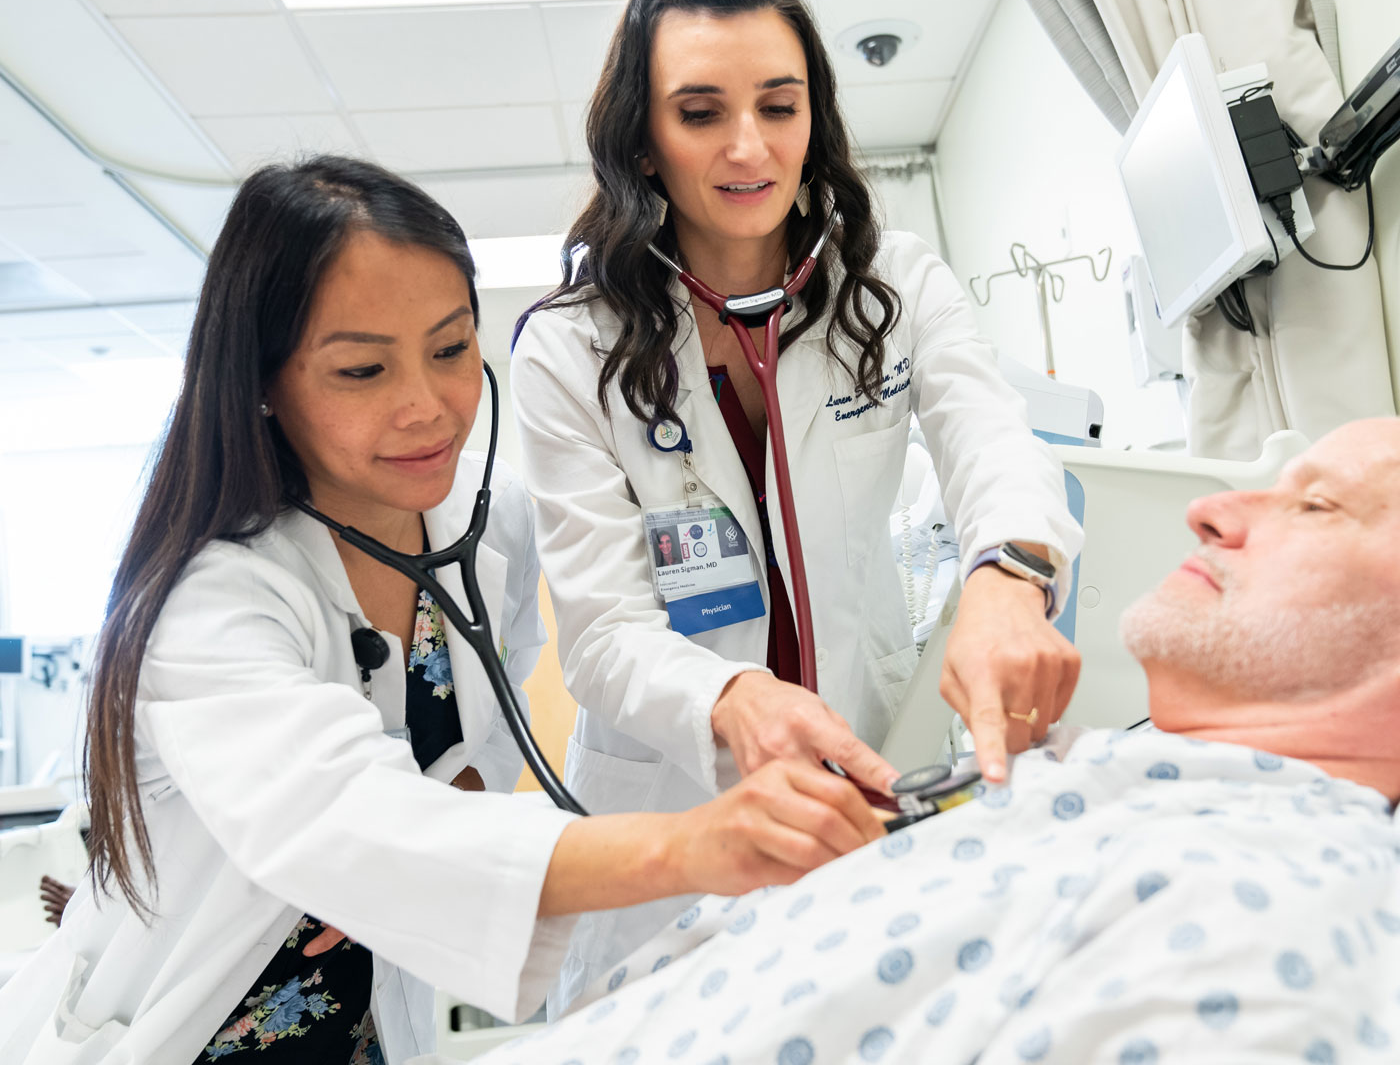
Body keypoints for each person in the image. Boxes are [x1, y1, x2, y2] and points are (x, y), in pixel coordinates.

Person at [0, 158, 885, 1065]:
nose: (427, 408)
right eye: (362, 369)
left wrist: (413, 864)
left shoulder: (483, 525)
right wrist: (690, 848)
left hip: (369, 1023)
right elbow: (343, 814)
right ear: (260, 382)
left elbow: (476, 741)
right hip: (189, 1031)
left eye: (452, 348)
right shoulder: (212, 607)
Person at [455, 416, 1400, 1063]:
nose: (1212, 509)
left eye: (1315, 505)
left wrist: (1009, 567)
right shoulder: (1112, 788)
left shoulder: (1279, 904)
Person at [510, 0, 1084, 1007]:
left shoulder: (890, 286)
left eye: (779, 105)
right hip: (670, 795)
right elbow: (598, 633)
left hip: (845, 763)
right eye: (699, 111)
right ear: (643, 134)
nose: (748, 147)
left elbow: (992, 443)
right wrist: (729, 697)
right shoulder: (566, 348)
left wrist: (1008, 578)